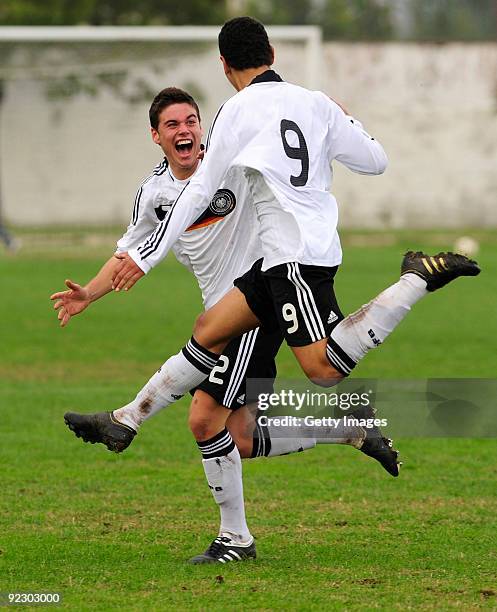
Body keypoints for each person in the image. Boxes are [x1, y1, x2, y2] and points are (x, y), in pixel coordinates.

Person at [53, 86, 397, 564]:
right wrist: (89, 292)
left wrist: (332, 114)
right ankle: (346, 431)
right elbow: (127, 253)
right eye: (173, 125)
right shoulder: (153, 193)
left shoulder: (231, 163)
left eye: (191, 120)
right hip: (224, 310)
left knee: (202, 416)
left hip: (257, 302)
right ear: (156, 136)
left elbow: (285, 136)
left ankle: (133, 425)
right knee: (239, 436)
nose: (186, 130)